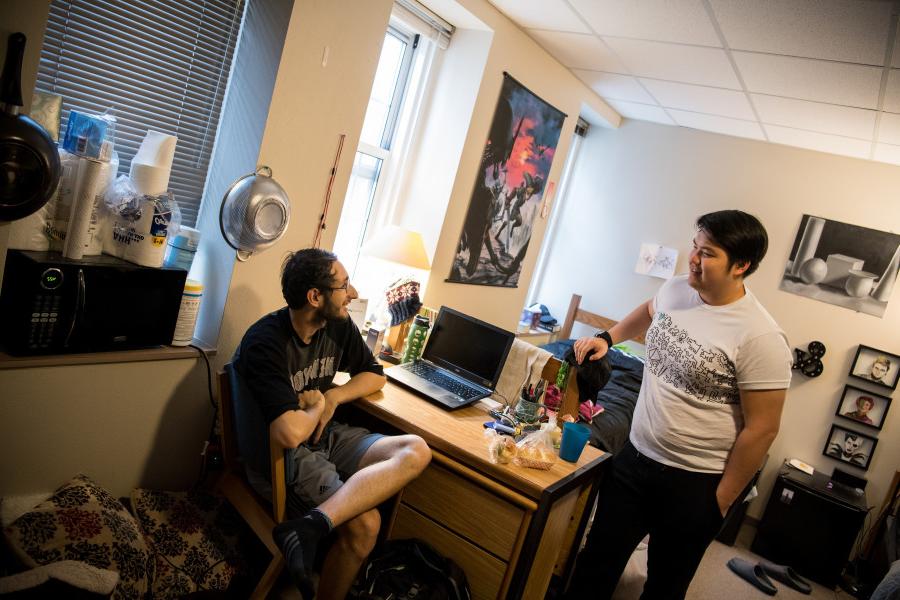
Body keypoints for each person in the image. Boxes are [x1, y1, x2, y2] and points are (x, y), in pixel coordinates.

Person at [564, 210, 792, 600]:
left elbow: (763, 428)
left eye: (708, 253)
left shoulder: (761, 337)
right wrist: (609, 337)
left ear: (742, 266)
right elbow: (648, 311)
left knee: (665, 588)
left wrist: (720, 502)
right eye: (694, 246)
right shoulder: (675, 290)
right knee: (594, 564)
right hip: (635, 459)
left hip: (694, 483)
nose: (693, 259)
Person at [233, 248, 431, 600]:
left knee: (415, 449)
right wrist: (317, 406)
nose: (352, 293)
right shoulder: (265, 343)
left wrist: (334, 399)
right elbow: (288, 433)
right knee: (366, 526)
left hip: (325, 438)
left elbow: (374, 374)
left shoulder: (336, 326)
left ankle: (309, 527)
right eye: (344, 285)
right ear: (315, 296)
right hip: (283, 459)